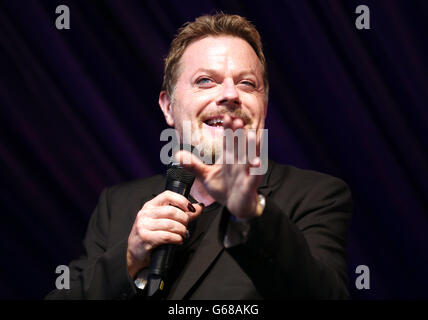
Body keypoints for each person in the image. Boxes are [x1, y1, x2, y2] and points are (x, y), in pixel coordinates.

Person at [46, 13, 352, 300]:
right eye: (206, 80)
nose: (230, 94)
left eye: (247, 83)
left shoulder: (316, 195)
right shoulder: (118, 204)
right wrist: (129, 259)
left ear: (264, 105)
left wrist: (250, 214)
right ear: (168, 107)